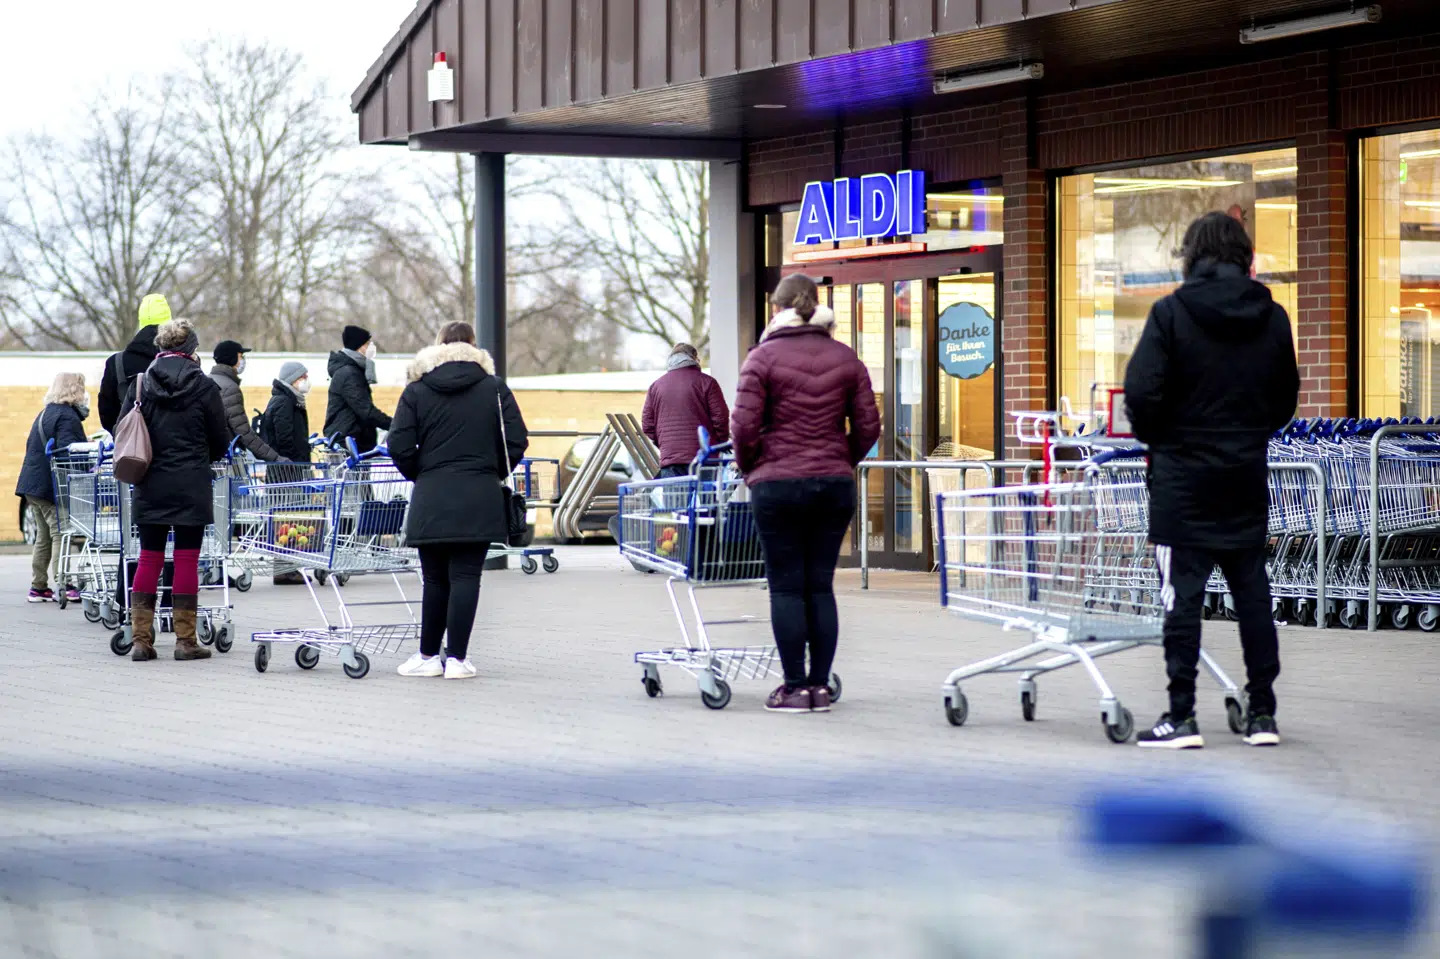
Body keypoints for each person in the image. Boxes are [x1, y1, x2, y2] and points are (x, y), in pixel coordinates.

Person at [1124, 210, 1299, 749]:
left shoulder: (1171, 314)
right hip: (1244, 475)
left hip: (1183, 481)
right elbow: (1284, 396)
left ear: (1192, 256)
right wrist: (1247, 435)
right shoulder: (1273, 318)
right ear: (1245, 257)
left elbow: (1141, 393)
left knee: (1183, 598)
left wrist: (1165, 441)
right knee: (1251, 591)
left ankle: (1181, 715)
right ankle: (1262, 713)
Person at [730, 273, 880, 714]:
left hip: (777, 484)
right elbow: (869, 426)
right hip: (833, 485)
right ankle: (820, 687)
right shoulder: (846, 358)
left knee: (786, 588)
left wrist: (752, 465)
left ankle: (794, 687)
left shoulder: (761, 360)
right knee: (820, 586)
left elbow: (742, 426)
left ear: (777, 310)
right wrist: (840, 460)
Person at [388, 321, 528, 680]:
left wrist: (423, 472)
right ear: (473, 346)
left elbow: (399, 445)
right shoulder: (495, 388)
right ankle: (459, 660)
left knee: (434, 580)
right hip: (480, 494)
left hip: (431, 495)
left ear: (437, 345)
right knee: (467, 576)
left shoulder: (417, 390)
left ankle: (428, 656)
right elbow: (517, 439)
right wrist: (491, 469)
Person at [119, 318, 230, 661]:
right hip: (190, 483)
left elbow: (122, 431)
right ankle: (185, 642)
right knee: (185, 559)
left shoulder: (140, 385)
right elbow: (220, 441)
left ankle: (140, 640)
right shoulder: (206, 387)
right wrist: (199, 456)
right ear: (191, 350)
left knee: (149, 558)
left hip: (150, 483)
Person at [16, 373, 90, 603]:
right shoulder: (67, 417)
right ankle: (64, 583)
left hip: (32, 484)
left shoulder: (45, 413)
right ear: (75, 390)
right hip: (50, 486)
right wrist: (88, 467)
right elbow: (69, 451)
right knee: (61, 532)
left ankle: (38, 587)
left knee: (44, 537)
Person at [260, 361, 313, 585]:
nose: (307, 380)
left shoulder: (290, 400)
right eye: (304, 376)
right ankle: (284, 569)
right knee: (287, 517)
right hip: (286, 471)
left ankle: (288, 567)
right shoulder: (284, 402)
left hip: (287, 469)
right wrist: (296, 463)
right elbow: (284, 438)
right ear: (293, 379)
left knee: (289, 517)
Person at [642, 343, 730, 477]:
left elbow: (648, 425)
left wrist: (665, 444)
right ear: (694, 358)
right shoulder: (707, 382)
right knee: (708, 497)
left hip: (672, 460)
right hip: (705, 458)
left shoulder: (656, 386)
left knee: (676, 498)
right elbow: (721, 418)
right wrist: (719, 442)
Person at [99, 293, 169, 434]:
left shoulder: (116, 363)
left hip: (131, 448)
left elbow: (106, 413)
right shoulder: (181, 361)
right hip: (175, 450)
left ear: (140, 321)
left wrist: (120, 433)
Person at [324, 325, 391, 454]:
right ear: (358, 346)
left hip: (356, 442)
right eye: (368, 343)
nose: (371, 347)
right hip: (348, 446)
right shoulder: (349, 373)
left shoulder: (353, 370)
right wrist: (394, 425)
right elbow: (366, 410)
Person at [209, 340, 281, 463]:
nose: (243, 361)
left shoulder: (208, 380)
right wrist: (276, 458)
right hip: (227, 459)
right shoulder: (230, 388)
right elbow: (243, 432)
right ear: (231, 359)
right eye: (241, 356)